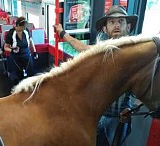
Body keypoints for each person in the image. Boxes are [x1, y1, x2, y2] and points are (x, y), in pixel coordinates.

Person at [54, 5, 138, 146]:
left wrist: (131, 108)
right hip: (98, 114)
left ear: (128, 27)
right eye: (112, 22)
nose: (117, 25)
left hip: (119, 118)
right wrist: (62, 32)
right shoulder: (102, 50)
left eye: (121, 21)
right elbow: (80, 47)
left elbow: (145, 82)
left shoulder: (135, 53)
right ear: (105, 29)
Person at [4, 16, 38, 85]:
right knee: (18, 77)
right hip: (16, 57)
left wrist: (34, 52)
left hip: (27, 55)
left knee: (31, 75)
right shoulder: (11, 33)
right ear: (18, 25)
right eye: (23, 27)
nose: (24, 28)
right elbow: (5, 47)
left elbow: (31, 41)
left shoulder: (26, 31)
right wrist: (12, 50)